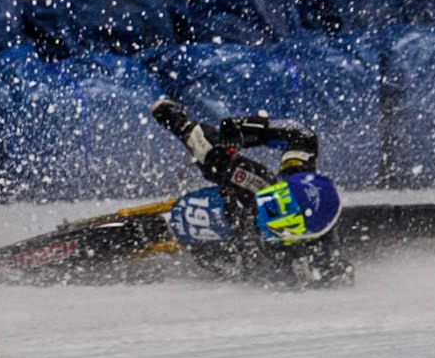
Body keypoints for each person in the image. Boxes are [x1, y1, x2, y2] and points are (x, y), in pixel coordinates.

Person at [149, 98, 350, 288]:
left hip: (240, 253)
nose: (267, 206)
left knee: (254, 252)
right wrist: (253, 129)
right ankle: (183, 126)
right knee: (212, 152)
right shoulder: (296, 172)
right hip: (240, 207)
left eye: (273, 212)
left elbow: (336, 282)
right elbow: (302, 135)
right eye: (276, 197)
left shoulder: (321, 264)